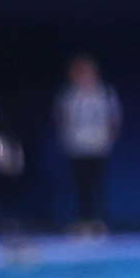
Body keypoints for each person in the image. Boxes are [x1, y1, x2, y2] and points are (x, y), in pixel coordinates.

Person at [55, 55, 121, 233]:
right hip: (77, 146)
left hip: (98, 145)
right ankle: (84, 221)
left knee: (97, 184)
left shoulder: (104, 92)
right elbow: (62, 119)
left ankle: (100, 221)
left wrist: (108, 140)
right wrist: (67, 140)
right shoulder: (68, 94)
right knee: (80, 185)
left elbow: (114, 119)